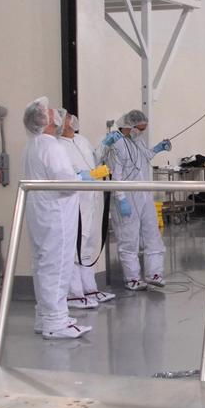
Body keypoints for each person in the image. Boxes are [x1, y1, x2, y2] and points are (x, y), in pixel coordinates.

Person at [21, 97, 91, 339]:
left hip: (40, 213)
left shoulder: (33, 145)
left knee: (43, 264)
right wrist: (82, 178)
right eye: (52, 114)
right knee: (57, 265)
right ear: (45, 121)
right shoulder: (52, 146)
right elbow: (66, 184)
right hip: (56, 213)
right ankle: (56, 322)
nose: (59, 115)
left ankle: (46, 316)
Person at [102, 109, 172, 290]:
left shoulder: (137, 140)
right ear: (130, 126)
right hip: (126, 195)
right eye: (139, 129)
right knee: (129, 238)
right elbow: (115, 175)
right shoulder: (117, 145)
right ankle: (132, 278)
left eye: (143, 129)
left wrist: (157, 148)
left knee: (153, 234)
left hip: (144, 193)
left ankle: (154, 273)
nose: (141, 132)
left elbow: (145, 156)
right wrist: (121, 199)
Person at [59, 114, 116, 309]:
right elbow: (66, 174)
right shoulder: (58, 146)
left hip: (91, 199)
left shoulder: (81, 140)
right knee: (76, 246)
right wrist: (86, 175)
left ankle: (89, 288)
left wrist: (105, 144)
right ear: (60, 123)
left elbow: (94, 157)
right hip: (75, 200)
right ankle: (74, 293)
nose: (71, 118)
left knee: (89, 244)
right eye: (67, 117)